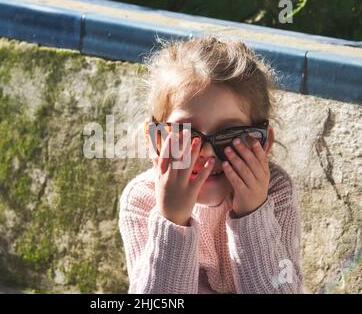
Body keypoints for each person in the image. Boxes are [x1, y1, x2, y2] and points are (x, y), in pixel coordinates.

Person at [118, 36, 302, 294]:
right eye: (186, 134)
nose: (205, 152)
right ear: (158, 139)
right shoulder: (142, 199)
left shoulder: (274, 191)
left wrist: (253, 213)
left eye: (229, 135)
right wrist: (172, 220)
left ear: (263, 143)